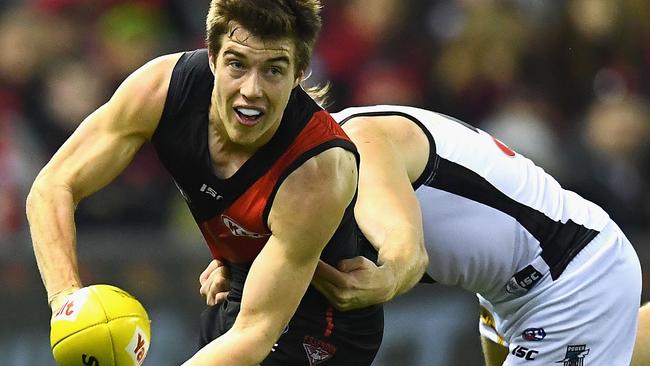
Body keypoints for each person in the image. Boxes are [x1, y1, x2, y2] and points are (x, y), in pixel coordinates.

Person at [26, 1, 408, 365]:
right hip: (239, 294)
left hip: (323, 333)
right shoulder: (160, 90)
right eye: (236, 65)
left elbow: (254, 335)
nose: (251, 90)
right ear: (211, 57)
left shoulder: (317, 172)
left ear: (300, 71)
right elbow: (53, 186)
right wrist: (66, 301)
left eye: (273, 70)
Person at [201, 104, 642, 364]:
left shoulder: (357, 149)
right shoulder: (311, 169)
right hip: (515, 288)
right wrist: (241, 262)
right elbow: (293, 238)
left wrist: (384, 280)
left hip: (573, 279)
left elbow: (406, 253)